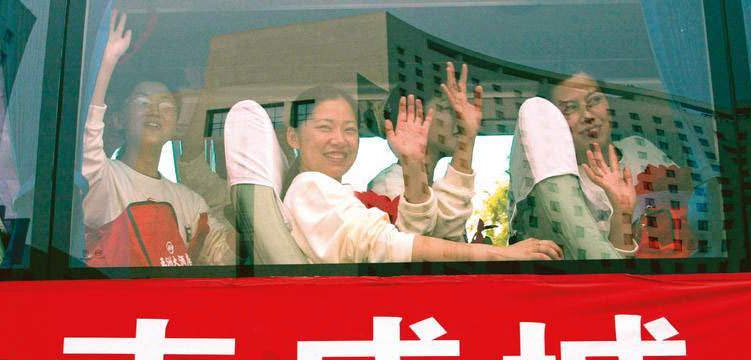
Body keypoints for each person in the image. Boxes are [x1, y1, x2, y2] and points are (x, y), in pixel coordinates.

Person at [279, 86, 562, 263]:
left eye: (349, 130)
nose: (340, 140)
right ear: (293, 137)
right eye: (325, 127)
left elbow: (418, 236)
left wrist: (420, 162)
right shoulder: (309, 186)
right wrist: (500, 254)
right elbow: (390, 247)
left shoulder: (337, 193)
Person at [81, 10, 235, 266]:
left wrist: (259, 213)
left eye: (166, 106)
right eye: (142, 103)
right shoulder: (106, 181)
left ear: (175, 126)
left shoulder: (188, 201)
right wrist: (106, 63)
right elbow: (88, 142)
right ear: (118, 120)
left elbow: (223, 255)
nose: (154, 111)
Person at [508, 72, 675, 260]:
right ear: (553, 124)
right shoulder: (559, 187)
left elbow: (690, 211)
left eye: (594, 100)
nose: (587, 115)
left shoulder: (639, 149)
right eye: (570, 108)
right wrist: (622, 213)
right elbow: (610, 268)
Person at [368, 62, 482, 241]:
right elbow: (429, 241)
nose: (458, 118)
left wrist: (467, 138)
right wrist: (466, 140)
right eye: (447, 108)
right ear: (413, 117)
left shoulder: (429, 186)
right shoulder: (388, 188)